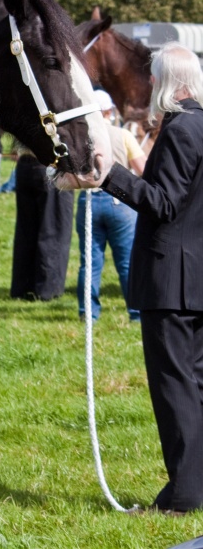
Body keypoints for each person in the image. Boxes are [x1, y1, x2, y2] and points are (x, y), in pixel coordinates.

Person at [100, 42, 203, 514]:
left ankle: (183, 495)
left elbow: (163, 203)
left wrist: (109, 174)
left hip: (173, 279)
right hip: (194, 275)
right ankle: (190, 486)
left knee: (175, 387)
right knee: (193, 384)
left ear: (169, 81)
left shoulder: (183, 128)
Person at [76, 90, 146, 322]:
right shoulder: (123, 134)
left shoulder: (79, 137)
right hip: (120, 203)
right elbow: (142, 169)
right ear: (108, 111)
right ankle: (136, 312)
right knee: (127, 262)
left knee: (90, 263)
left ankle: (89, 313)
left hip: (88, 202)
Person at [10, 145, 73, 301]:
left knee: (26, 230)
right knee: (54, 227)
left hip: (25, 164)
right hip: (52, 165)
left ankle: (23, 286)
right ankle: (47, 289)